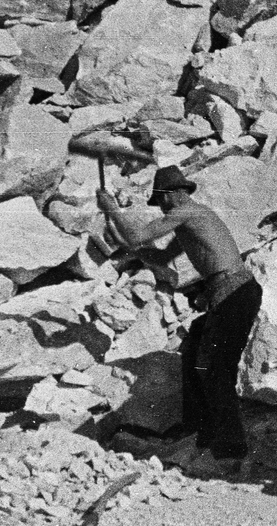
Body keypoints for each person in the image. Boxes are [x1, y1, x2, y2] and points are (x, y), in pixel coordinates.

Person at [97, 166, 259, 460]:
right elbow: (162, 257)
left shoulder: (186, 212)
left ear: (169, 196)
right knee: (196, 352)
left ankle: (230, 449)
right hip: (231, 293)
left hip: (234, 292)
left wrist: (113, 211)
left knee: (215, 368)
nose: (159, 207)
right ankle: (200, 431)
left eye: (158, 201)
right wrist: (126, 237)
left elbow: (136, 237)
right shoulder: (190, 220)